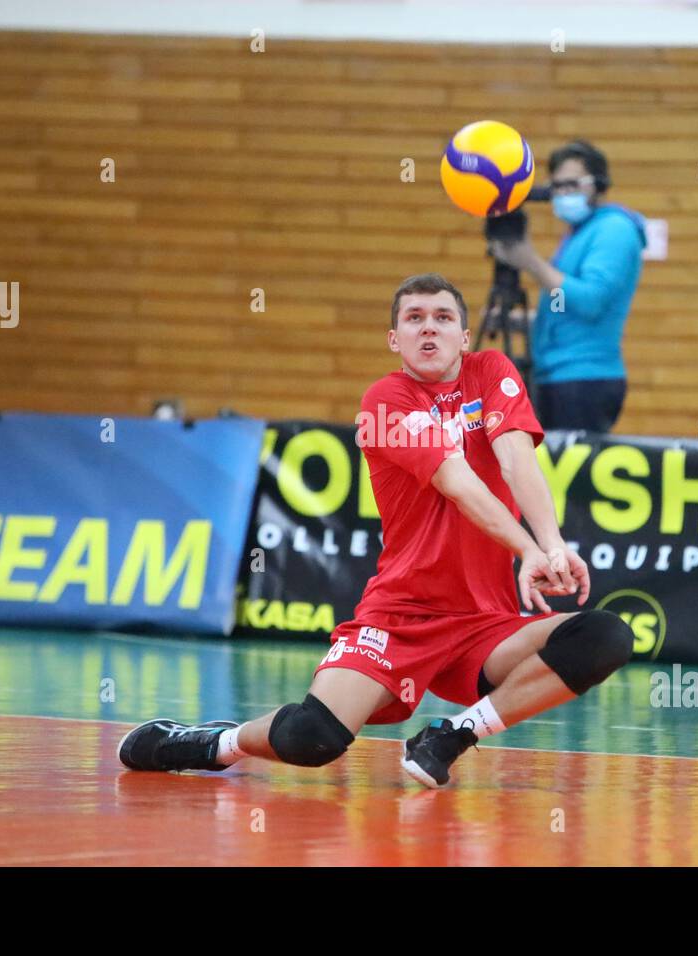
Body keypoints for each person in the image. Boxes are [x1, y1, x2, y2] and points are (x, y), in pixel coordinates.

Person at [118, 272, 634, 788]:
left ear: (465, 336)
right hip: (402, 617)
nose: (428, 330)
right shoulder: (386, 400)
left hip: (484, 622)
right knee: (312, 736)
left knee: (603, 635)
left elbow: (516, 458)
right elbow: (457, 482)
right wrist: (526, 549)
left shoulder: (491, 372)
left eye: (443, 318)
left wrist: (552, 545)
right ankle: (214, 743)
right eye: (414, 319)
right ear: (395, 340)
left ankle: (450, 737)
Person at [489, 139, 647, 434]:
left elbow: (590, 302)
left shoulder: (614, 230)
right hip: (560, 375)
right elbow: (564, 303)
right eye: (557, 187)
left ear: (599, 184)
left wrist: (531, 262)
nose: (563, 194)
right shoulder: (579, 233)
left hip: (584, 379)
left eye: (573, 184)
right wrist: (525, 321)